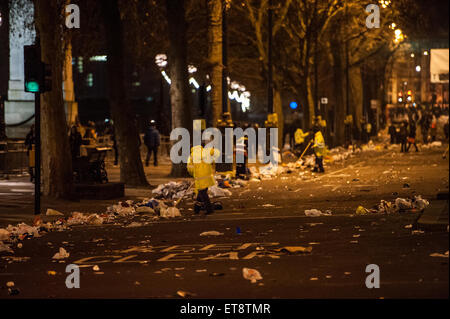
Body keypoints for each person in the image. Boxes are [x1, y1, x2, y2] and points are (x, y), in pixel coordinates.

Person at [187, 144, 221, 215]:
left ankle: (209, 210)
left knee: (203, 194)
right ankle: (196, 209)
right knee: (201, 193)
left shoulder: (192, 156)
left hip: (200, 177)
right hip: (208, 176)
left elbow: (190, 168)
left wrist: (194, 174)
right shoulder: (206, 151)